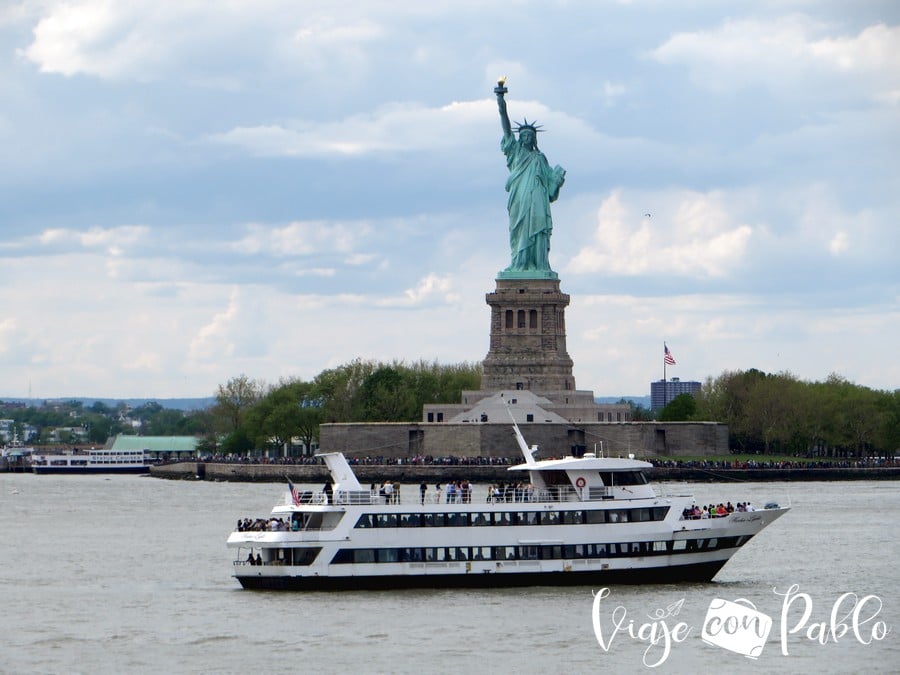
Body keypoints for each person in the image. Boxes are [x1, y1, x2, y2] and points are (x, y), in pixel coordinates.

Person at [495, 80, 566, 274]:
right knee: (519, 231)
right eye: (523, 135)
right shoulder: (515, 153)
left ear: (534, 139)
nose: (526, 138)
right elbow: (505, 126)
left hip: (537, 200)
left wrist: (558, 182)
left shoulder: (540, 158)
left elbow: (551, 192)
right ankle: (519, 263)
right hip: (519, 198)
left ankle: (538, 265)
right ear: (519, 138)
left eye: (529, 136)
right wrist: (501, 100)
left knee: (538, 231)